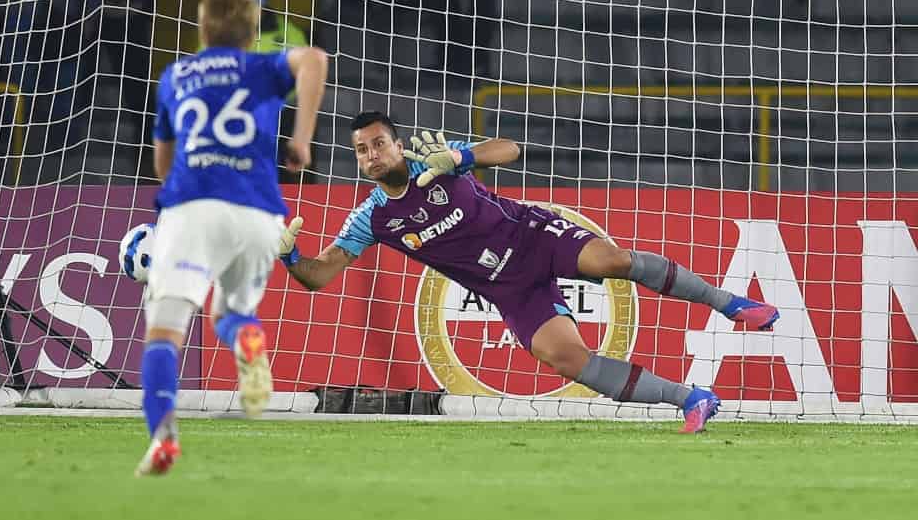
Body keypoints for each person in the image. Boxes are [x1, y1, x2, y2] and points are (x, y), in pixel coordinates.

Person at [277, 111, 781, 434]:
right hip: (510, 290)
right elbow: (321, 275)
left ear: (396, 143)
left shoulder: (435, 162)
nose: (372, 155)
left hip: (533, 237)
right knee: (567, 360)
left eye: (379, 144)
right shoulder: (371, 217)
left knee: (613, 261)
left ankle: (733, 304)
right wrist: (290, 257)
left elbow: (508, 149)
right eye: (362, 150)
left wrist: (459, 156)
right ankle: (690, 398)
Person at [136, 0, 327, 475]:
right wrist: (302, 140)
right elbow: (314, 59)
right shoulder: (263, 66)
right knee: (231, 312)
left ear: (202, 31)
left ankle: (163, 439)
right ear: (252, 33)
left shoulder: (176, 75)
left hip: (194, 205)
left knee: (165, 329)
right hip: (259, 214)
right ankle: (248, 338)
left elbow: (163, 165)